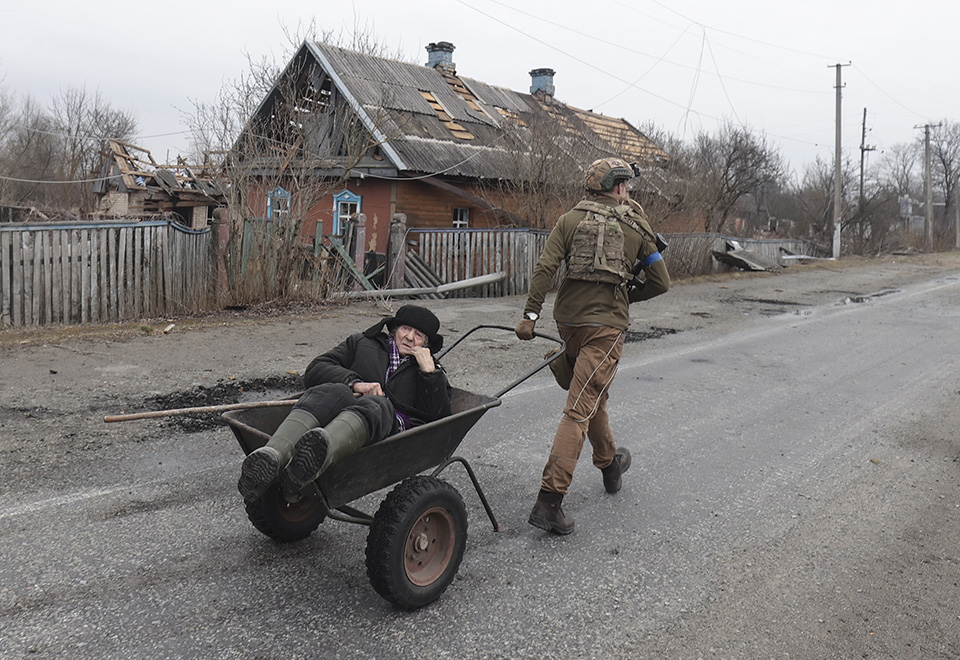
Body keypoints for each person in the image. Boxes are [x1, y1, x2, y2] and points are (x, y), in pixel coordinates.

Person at [515, 157, 670, 534]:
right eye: (627, 186)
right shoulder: (636, 226)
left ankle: (609, 464)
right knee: (578, 408)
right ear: (618, 188)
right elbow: (661, 281)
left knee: (590, 392)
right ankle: (550, 501)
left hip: (568, 322)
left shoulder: (569, 220)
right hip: (605, 330)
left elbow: (545, 269)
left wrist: (530, 316)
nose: (629, 191)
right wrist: (625, 298)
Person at [238, 305, 452, 502]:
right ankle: (272, 455)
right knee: (334, 391)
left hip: (387, 424)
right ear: (395, 328)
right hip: (340, 413)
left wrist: (429, 373)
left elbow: (438, 418)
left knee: (378, 405)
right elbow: (316, 369)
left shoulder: (430, 370)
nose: (410, 337)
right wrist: (355, 383)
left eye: (419, 335)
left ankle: (316, 457)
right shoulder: (361, 343)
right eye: (406, 329)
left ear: (426, 344)